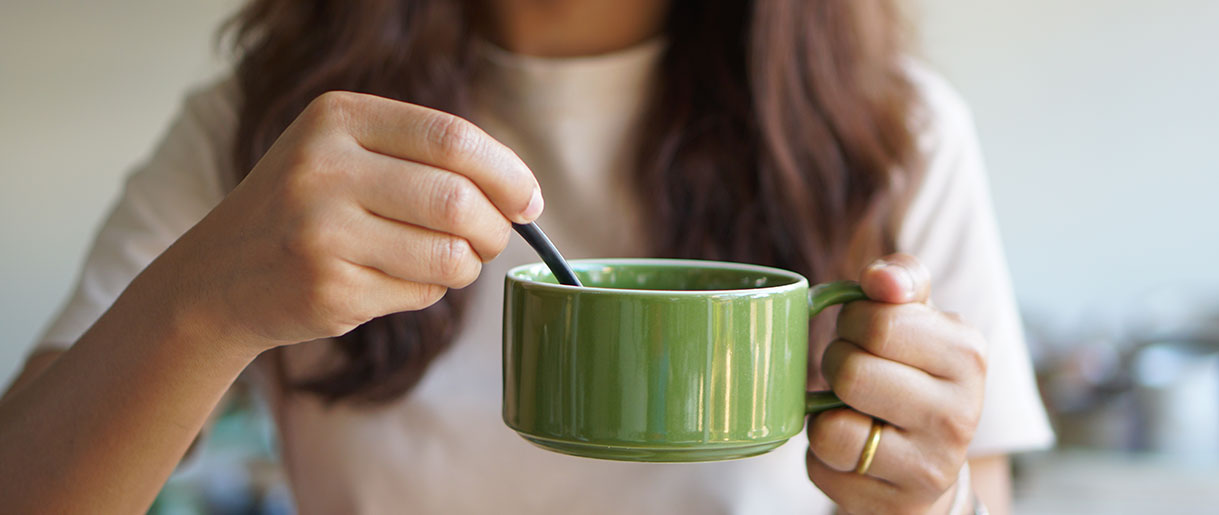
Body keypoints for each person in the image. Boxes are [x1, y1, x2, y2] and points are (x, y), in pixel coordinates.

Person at [0, 1, 1053, 513]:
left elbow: (969, 494)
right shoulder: (274, 130)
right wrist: (203, 303)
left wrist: (926, 496)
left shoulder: (891, 134)